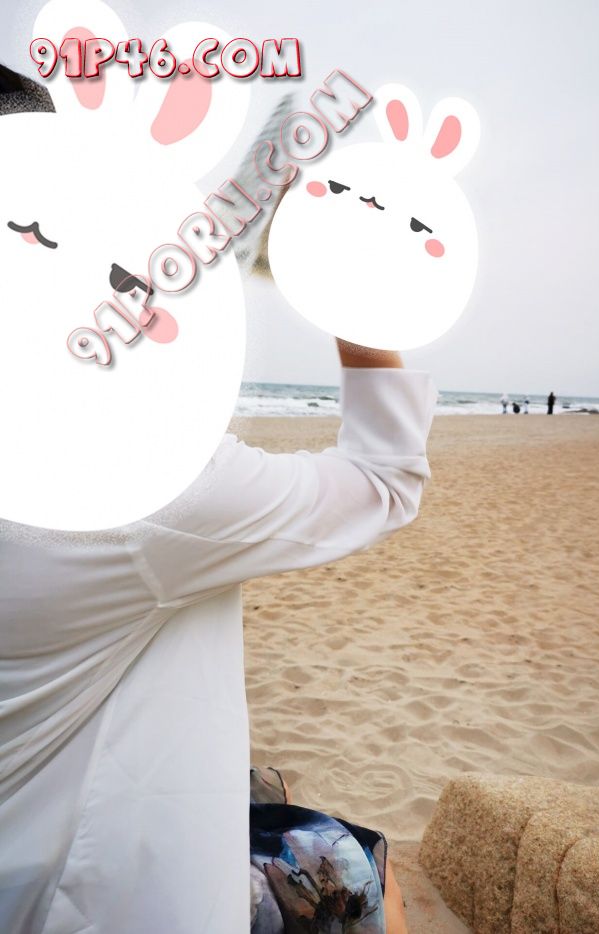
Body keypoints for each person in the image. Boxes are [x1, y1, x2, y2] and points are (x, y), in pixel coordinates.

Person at [0, 66, 427, 934]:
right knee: (361, 872)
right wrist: (345, 275)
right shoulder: (132, 490)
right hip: (95, 897)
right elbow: (387, 479)